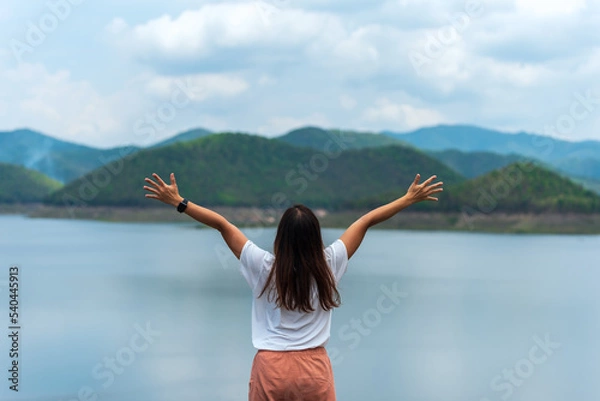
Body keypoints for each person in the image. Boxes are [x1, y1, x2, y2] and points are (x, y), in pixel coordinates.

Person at [143, 172, 443, 400]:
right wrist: (407, 199)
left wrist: (179, 202)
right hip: (314, 369)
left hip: (271, 368)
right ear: (315, 235)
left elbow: (223, 225)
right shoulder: (328, 264)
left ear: (280, 237)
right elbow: (364, 221)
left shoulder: (264, 267)